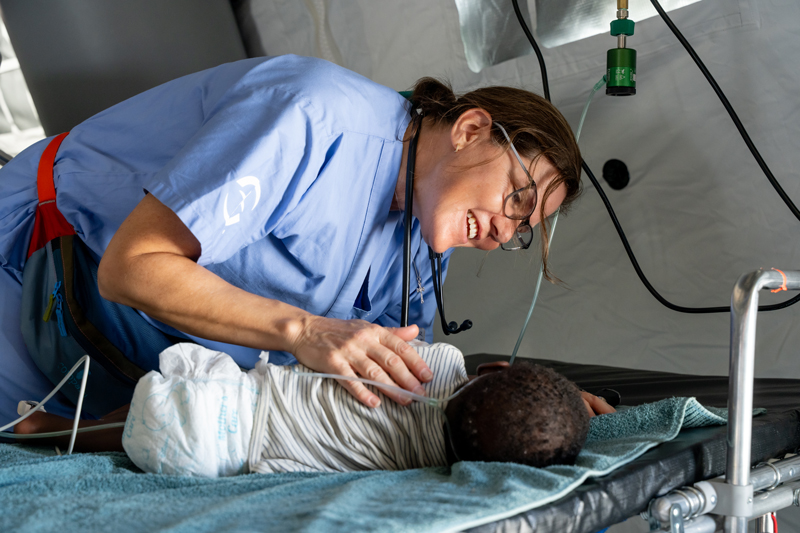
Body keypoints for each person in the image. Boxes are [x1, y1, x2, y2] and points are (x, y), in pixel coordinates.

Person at [0, 54, 582, 425]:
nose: (506, 230)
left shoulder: (424, 241)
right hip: (40, 275)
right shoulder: (311, 115)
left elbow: (391, 373)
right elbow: (132, 266)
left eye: (522, 230)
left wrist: (518, 397)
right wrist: (305, 330)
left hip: (146, 384)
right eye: (516, 198)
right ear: (471, 130)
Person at [14, 342, 614, 475]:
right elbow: (510, 426)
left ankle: (56, 425)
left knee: (144, 408)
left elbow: (373, 347)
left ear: (490, 370)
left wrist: (559, 395)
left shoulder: (439, 362)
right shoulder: (423, 466)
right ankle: (71, 431)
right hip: (211, 456)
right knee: (138, 436)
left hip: (221, 397)